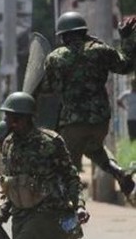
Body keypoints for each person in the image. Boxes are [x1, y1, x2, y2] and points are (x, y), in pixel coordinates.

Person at [41, 11, 136, 195]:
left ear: (64, 36)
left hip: (73, 122)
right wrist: (126, 38)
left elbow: (48, 88)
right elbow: (127, 65)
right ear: (84, 32)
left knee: (67, 167)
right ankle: (118, 172)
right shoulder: (100, 50)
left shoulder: (55, 57)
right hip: (100, 121)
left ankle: (74, 207)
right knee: (94, 148)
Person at [0, 92, 88, 239]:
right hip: (20, 215)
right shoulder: (8, 144)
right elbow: (12, 184)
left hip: (46, 213)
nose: (9, 122)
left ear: (26, 119)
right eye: (7, 118)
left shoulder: (50, 142)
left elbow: (70, 176)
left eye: (14, 118)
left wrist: (80, 205)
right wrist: (2, 213)